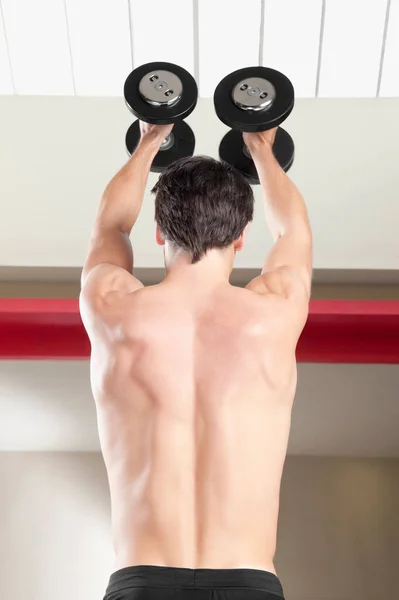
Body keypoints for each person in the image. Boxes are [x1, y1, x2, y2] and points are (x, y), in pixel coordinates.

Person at [80, 122, 312, 600]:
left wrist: (151, 140)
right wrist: (260, 149)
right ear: (243, 236)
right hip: (249, 582)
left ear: (160, 232)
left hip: (142, 581)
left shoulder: (113, 307)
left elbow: (110, 224)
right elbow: (293, 229)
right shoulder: (274, 312)